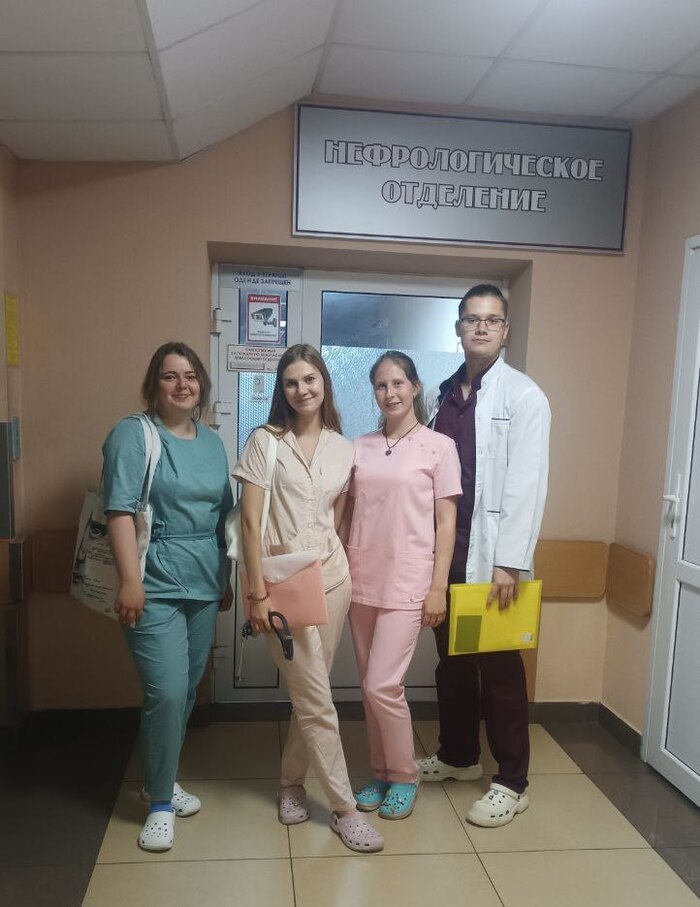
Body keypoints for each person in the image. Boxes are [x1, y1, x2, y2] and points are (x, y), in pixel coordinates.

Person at [233, 343, 384, 853]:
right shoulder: (265, 441)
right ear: (283, 390)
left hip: (333, 579)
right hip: (281, 585)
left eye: (310, 379)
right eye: (292, 382)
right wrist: (256, 592)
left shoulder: (344, 448)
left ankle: (291, 783)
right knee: (318, 698)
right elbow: (250, 521)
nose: (302, 389)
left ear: (324, 383)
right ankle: (344, 809)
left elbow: (337, 517)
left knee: (310, 690)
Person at [417, 284, 550, 828]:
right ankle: (458, 755)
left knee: (499, 670)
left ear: (505, 330)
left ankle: (512, 782)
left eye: (491, 320)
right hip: (448, 556)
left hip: (494, 561)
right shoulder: (444, 395)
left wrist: (509, 561)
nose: (480, 327)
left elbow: (527, 483)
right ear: (458, 328)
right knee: (451, 662)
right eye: (472, 319)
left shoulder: (524, 396)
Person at [103, 341, 233, 852]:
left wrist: (224, 579)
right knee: (168, 691)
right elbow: (119, 510)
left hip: (204, 579)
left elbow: (223, 518)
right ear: (153, 385)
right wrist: (129, 581)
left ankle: (162, 777)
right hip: (151, 579)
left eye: (191, 376)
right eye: (170, 375)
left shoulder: (213, 443)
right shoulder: (134, 434)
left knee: (187, 690)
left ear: (202, 385)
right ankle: (159, 803)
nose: (182, 384)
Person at [347, 352, 461, 820]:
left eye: (398, 383)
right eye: (381, 385)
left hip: (409, 580)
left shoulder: (439, 446)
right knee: (368, 686)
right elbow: (348, 514)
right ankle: (381, 771)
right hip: (360, 578)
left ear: (415, 387)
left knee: (383, 684)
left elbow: (446, 522)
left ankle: (405, 775)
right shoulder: (361, 446)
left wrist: (438, 588)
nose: (390, 393)